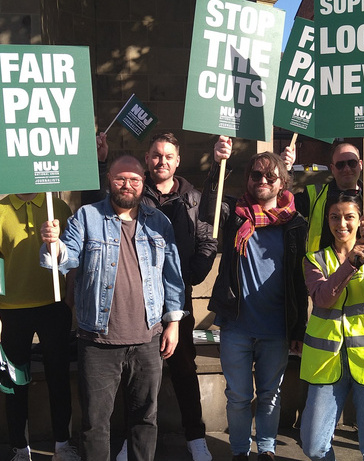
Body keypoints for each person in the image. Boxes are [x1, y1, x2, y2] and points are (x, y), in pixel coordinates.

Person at [40, 155, 185, 461]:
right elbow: (67, 259)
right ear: (109, 179)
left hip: (147, 340)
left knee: (145, 420)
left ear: (143, 182)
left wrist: (173, 322)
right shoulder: (86, 217)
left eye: (134, 179)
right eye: (120, 178)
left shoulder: (159, 222)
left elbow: (172, 276)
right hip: (98, 341)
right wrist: (54, 245)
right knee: (95, 423)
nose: (127, 185)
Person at [89, 132, 217, 461]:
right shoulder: (132, 191)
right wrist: (101, 161)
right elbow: (95, 207)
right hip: (133, 300)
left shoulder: (193, 198)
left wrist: (193, 273)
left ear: (178, 161)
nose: (162, 161)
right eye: (156, 155)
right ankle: (127, 443)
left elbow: (208, 237)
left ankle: (195, 437)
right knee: (131, 378)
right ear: (147, 159)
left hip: (176, 301)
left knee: (185, 371)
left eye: (168, 156)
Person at [282, 140, 364, 450]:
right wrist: (284, 169)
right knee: (313, 441)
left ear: (361, 165)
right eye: (341, 164)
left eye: (353, 162)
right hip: (328, 337)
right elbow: (280, 203)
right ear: (331, 168)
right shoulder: (313, 197)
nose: (343, 224)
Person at [202, 136, 308, 461]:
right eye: (256, 175)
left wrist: (297, 329)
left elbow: (299, 282)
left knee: (269, 395)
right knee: (237, 396)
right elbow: (209, 205)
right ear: (247, 180)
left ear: (282, 183)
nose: (262, 181)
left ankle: (266, 449)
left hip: (276, 329)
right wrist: (219, 162)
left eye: (270, 176)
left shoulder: (295, 223)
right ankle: (239, 452)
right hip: (236, 326)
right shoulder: (235, 215)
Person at [0, 193, 79, 461]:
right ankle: (20, 448)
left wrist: (69, 299)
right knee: (15, 382)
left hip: (53, 306)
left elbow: (74, 254)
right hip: (11, 310)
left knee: (58, 378)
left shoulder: (56, 205)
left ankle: (62, 445)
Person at [300, 193, 364, 461]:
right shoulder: (314, 259)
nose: (341, 223)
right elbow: (323, 299)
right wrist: (349, 265)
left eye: (348, 217)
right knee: (313, 444)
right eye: (334, 217)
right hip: (327, 361)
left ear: (361, 221)